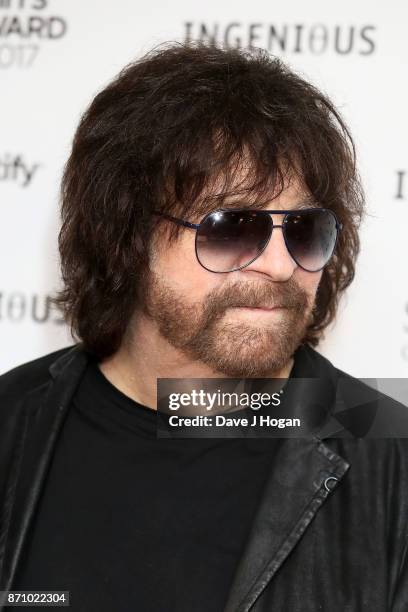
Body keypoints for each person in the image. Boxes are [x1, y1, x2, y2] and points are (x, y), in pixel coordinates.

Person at [0, 41, 407, 612]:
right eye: (232, 227)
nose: (280, 264)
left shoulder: (393, 462)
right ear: (128, 236)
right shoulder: (13, 422)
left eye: (304, 230)